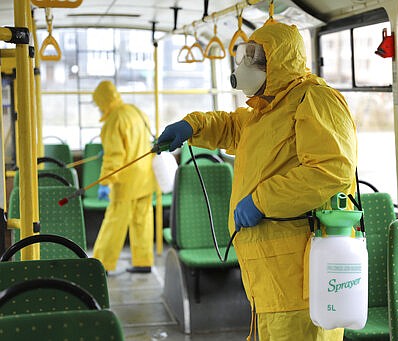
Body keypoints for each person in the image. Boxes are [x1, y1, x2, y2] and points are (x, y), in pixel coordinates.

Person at [158, 22, 357, 340]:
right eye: (245, 55)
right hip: (270, 275)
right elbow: (230, 128)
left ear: (281, 61)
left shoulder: (314, 100)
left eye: (256, 57)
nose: (246, 66)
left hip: (301, 278)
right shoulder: (266, 110)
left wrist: (262, 200)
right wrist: (191, 126)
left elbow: (331, 170)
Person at [92, 80, 157, 274]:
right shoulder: (136, 111)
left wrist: (105, 182)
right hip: (145, 176)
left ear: (103, 101)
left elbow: (114, 157)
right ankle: (143, 262)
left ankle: (101, 265)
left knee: (114, 222)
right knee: (142, 221)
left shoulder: (113, 121)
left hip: (126, 181)